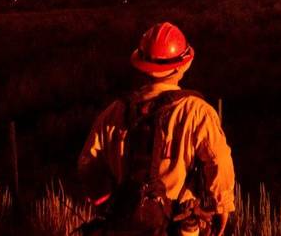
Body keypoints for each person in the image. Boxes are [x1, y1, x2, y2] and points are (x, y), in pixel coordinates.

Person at [79, 22, 234, 236]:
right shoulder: (196, 112)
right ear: (182, 66)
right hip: (178, 227)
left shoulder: (113, 113)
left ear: (141, 65)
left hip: (124, 227)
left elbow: (88, 163)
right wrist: (221, 205)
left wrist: (108, 203)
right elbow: (219, 161)